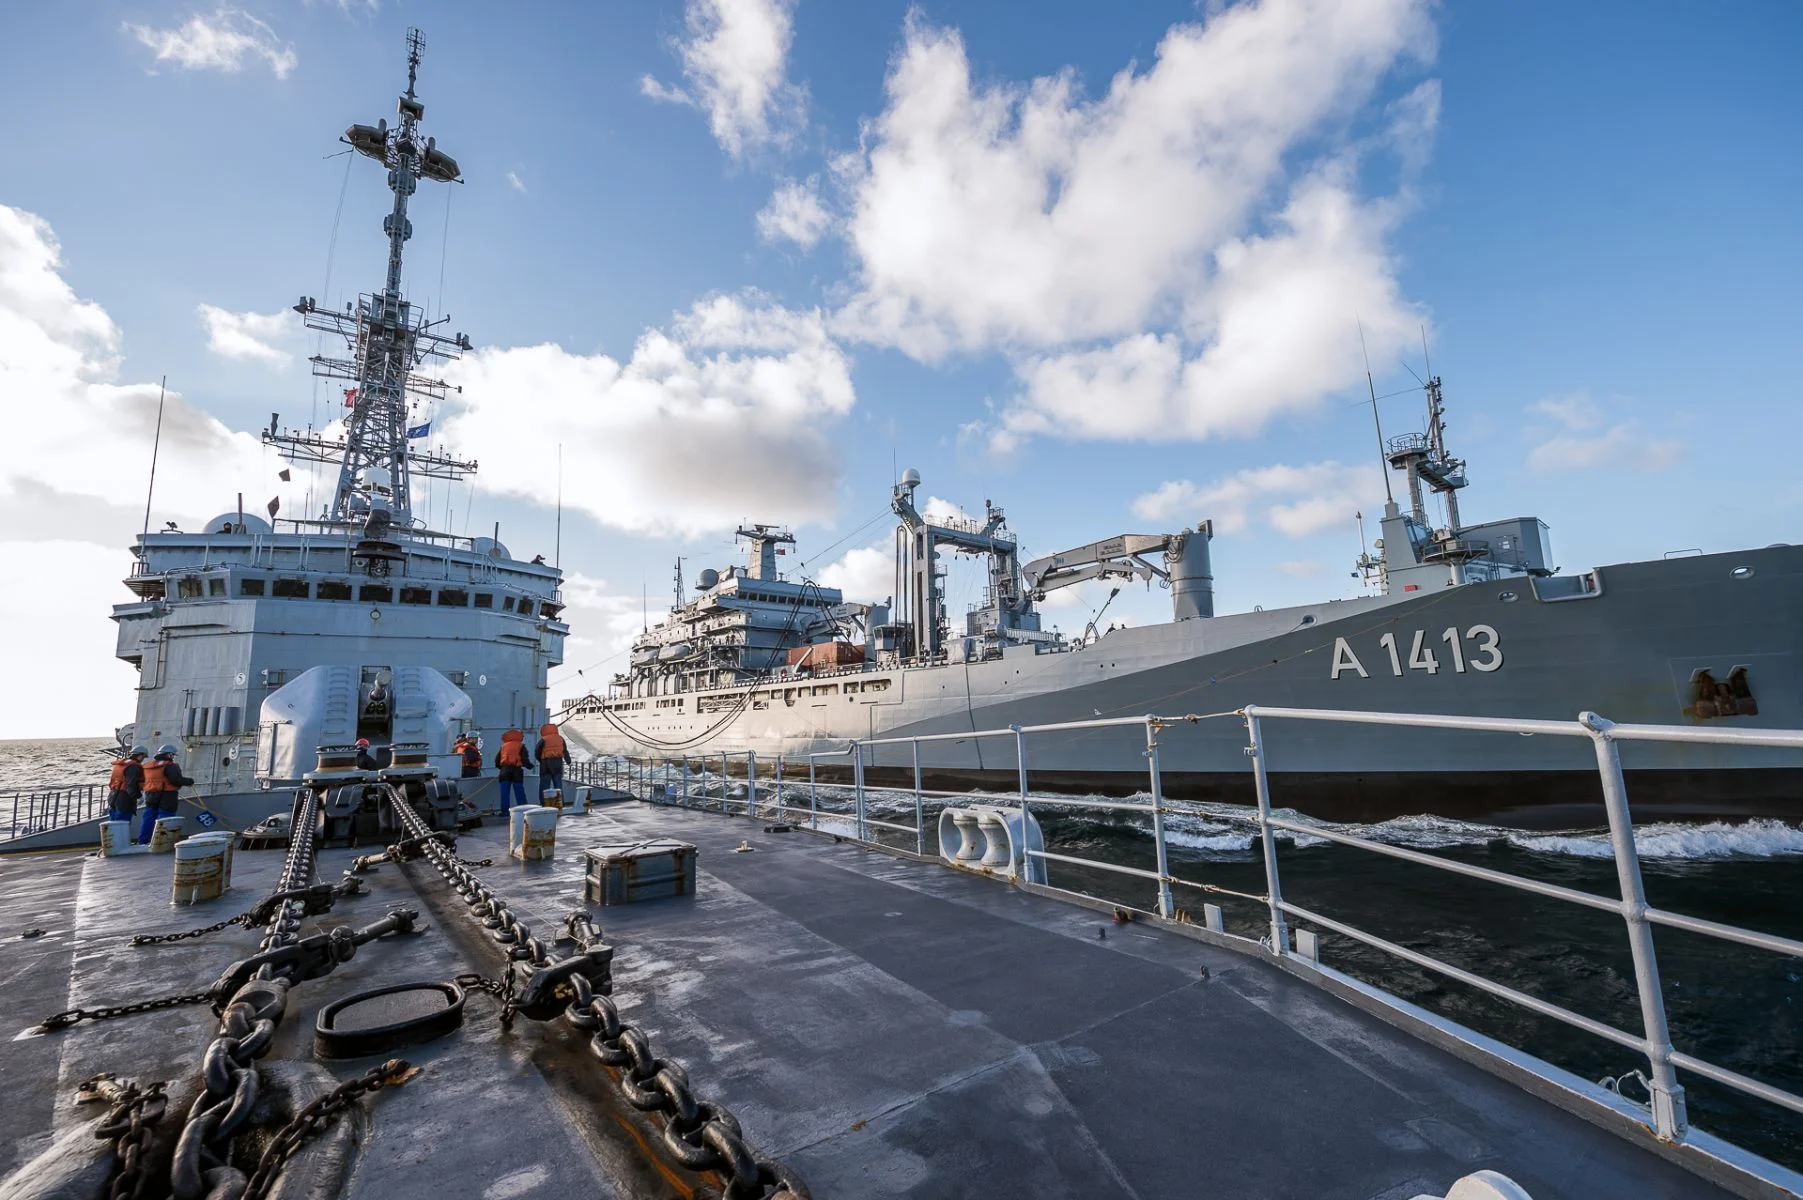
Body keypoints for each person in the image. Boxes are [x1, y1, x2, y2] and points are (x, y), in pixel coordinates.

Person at [137, 744, 193, 844]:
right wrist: (189, 781)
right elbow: (175, 780)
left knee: (149, 818)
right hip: (167, 796)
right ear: (169, 755)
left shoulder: (147, 766)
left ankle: (143, 841)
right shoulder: (170, 766)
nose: (173, 757)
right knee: (166, 818)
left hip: (150, 795)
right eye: (172, 755)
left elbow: (141, 781)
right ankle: (163, 842)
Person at [107, 746, 148, 823]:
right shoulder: (133, 767)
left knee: (113, 823)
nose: (143, 759)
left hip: (113, 797)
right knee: (122, 823)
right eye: (143, 757)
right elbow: (131, 785)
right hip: (125, 799)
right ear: (140, 755)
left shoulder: (120, 764)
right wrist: (139, 797)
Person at [494, 729, 531, 813]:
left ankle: (504, 812)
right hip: (516, 771)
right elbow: (525, 760)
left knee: (505, 793)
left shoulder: (503, 746)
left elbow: (497, 760)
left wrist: (503, 768)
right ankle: (524, 810)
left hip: (504, 771)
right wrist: (530, 766)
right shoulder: (521, 746)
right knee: (519, 792)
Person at [535, 723, 567, 800]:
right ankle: (560, 803)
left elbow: (537, 751)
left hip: (546, 765)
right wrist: (568, 760)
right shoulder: (560, 738)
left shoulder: (543, 739)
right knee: (558, 785)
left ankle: (544, 804)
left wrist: (540, 760)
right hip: (558, 764)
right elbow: (565, 750)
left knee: (544, 786)